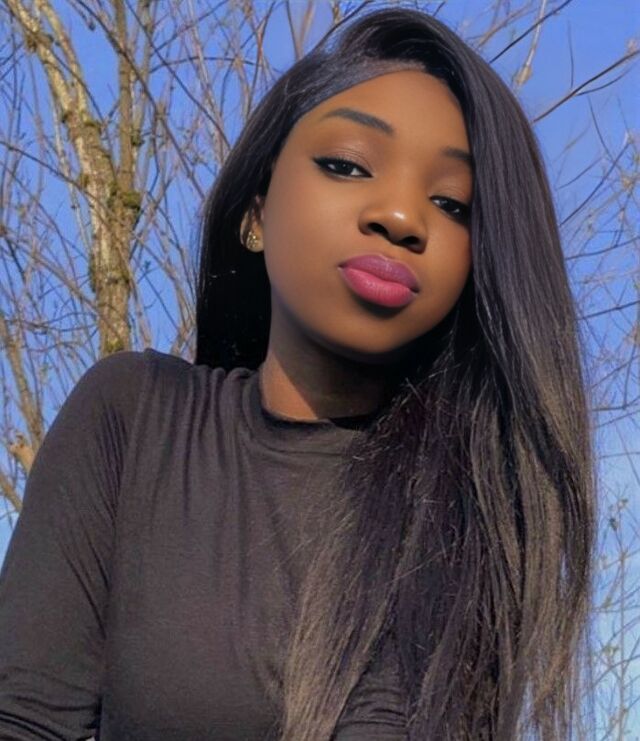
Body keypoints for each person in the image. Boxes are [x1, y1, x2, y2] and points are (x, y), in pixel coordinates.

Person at [0, 6, 597, 740]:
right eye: (346, 164)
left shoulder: (479, 517)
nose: (401, 216)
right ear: (256, 212)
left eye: (451, 203)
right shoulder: (137, 419)